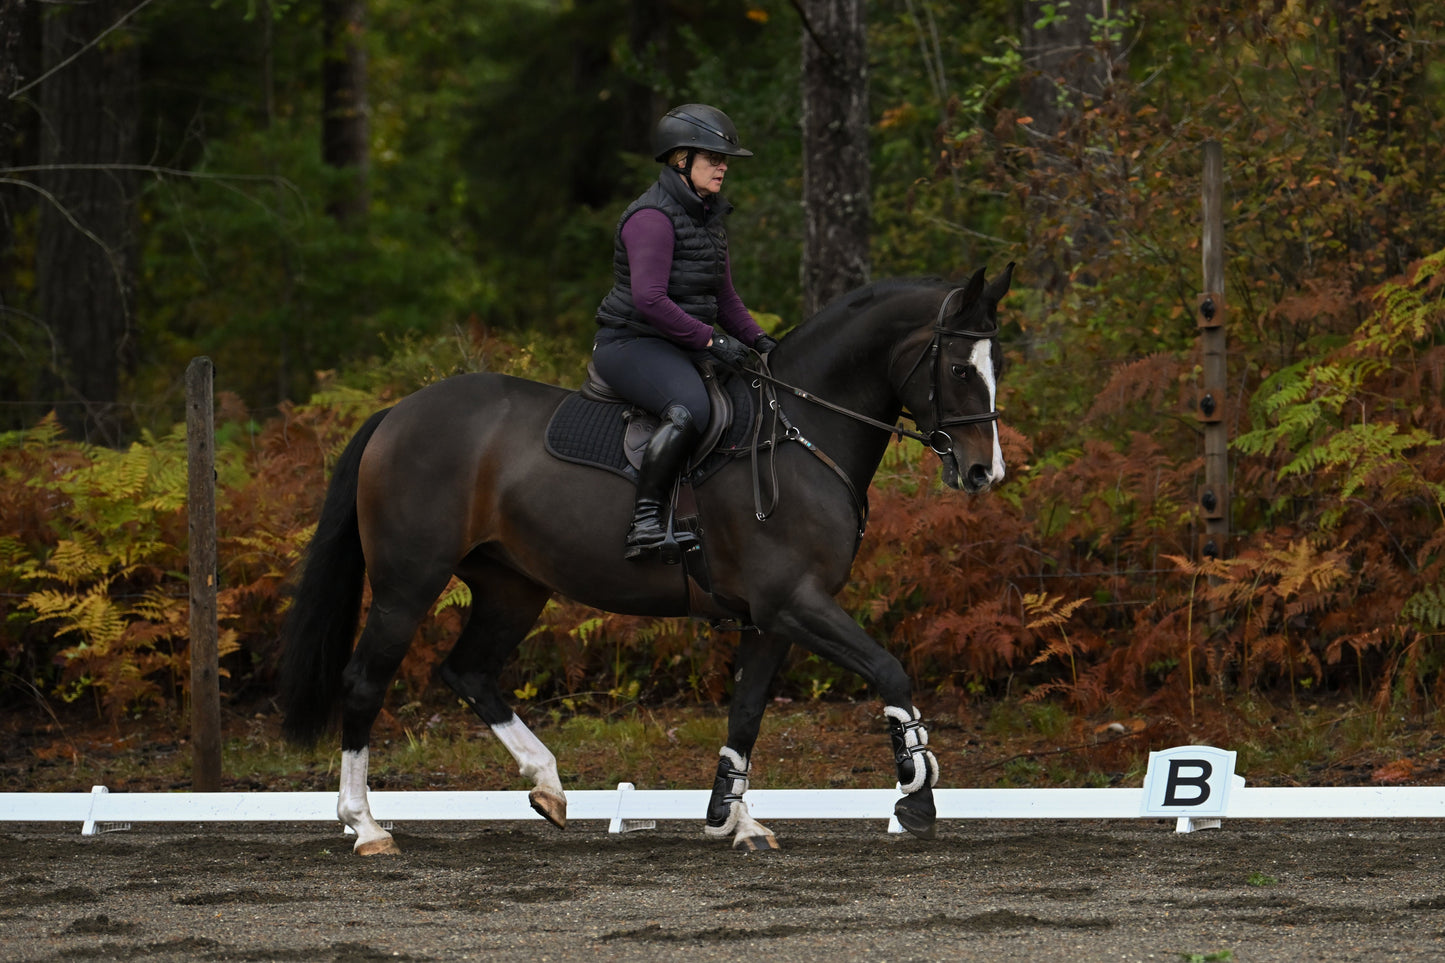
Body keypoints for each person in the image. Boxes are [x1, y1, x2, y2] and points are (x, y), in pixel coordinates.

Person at [593, 104, 778, 561]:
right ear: (680, 160)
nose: (723, 166)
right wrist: (713, 341)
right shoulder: (651, 218)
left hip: (680, 342)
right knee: (690, 407)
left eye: (724, 159)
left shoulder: (708, 218)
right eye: (713, 158)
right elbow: (650, 300)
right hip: (631, 342)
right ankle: (648, 524)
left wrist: (762, 342)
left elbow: (726, 299)